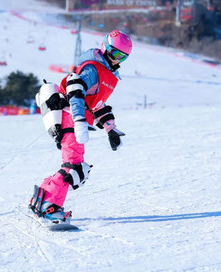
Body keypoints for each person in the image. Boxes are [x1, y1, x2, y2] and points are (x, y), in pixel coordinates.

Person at [29, 30, 132, 224]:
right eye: (114, 53)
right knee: (74, 167)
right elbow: (74, 89)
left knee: (74, 165)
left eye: (122, 57)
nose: (116, 59)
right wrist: (78, 121)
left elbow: (97, 104)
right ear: (105, 47)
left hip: (78, 119)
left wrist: (111, 129)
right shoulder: (94, 68)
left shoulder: (107, 74)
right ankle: (50, 207)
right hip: (71, 117)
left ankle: (42, 198)